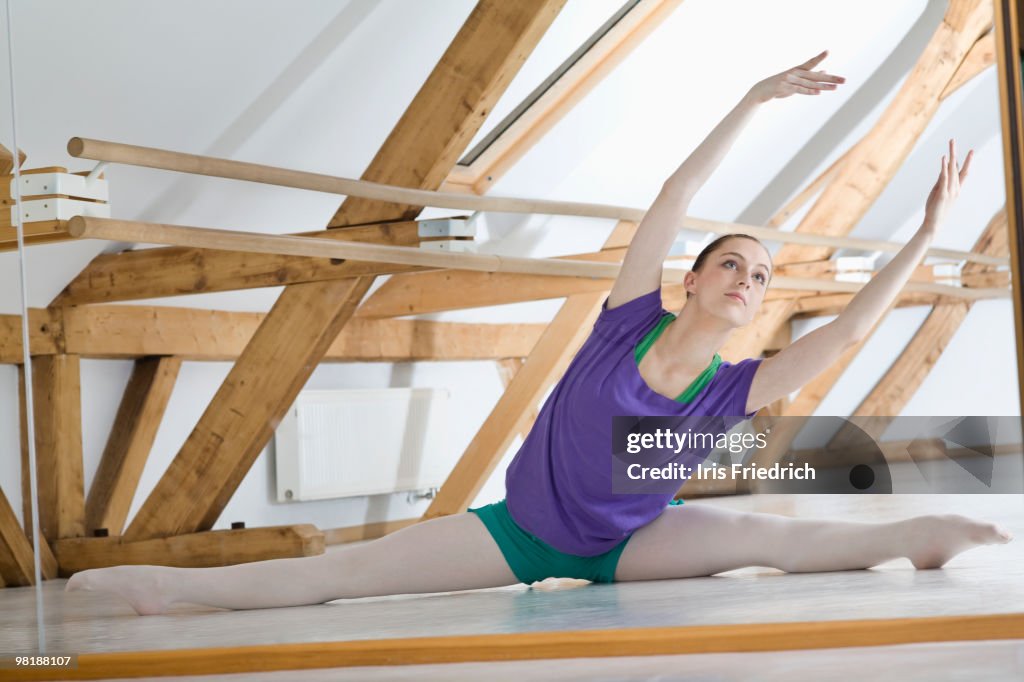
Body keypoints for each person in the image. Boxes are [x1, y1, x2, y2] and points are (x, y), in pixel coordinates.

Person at [66, 51, 1011, 615]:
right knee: (339, 579)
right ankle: (152, 589)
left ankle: (929, 534)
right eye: (731, 262)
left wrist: (928, 235)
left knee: (776, 539)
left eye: (760, 276)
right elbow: (674, 196)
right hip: (523, 535)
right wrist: (756, 98)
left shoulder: (737, 387)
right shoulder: (626, 323)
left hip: (636, 541)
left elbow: (847, 332)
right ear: (693, 279)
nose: (747, 279)